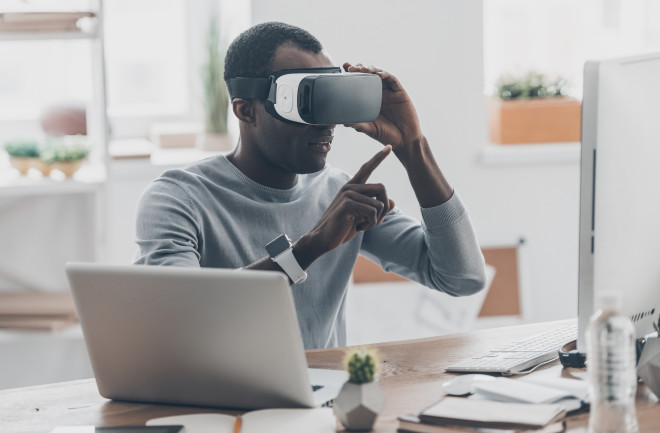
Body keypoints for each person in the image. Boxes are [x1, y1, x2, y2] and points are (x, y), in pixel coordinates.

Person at [134, 22, 487, 349]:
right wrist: (310, 247)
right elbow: (178, 317)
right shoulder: (178, 199)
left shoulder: (338, 193)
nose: (326, 123)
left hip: (323, 405)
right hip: (220, 408)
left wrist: (413, 148)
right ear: (246, 111)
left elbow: (462, 278)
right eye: (304, 101)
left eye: (330, 98)